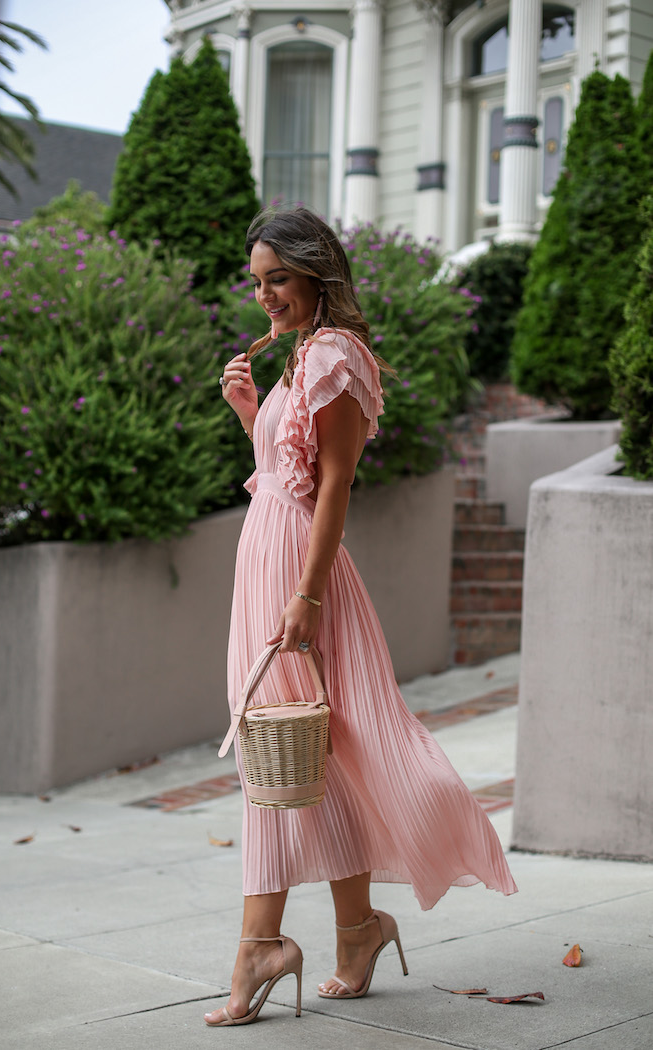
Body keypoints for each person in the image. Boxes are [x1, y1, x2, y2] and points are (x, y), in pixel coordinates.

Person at [204, 207, 517, 1027]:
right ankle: (357, 928)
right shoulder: (298, 356)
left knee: (286, 757)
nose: (266, 294)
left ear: (316, 272)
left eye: (279, 277)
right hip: (267, 555)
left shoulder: (335, 355)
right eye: (258, 281)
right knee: (312, 758)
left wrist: (304, 596)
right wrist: (250, 415)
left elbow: (334, 487)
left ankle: (259, 945)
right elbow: (284, 470)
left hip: (300, 572)